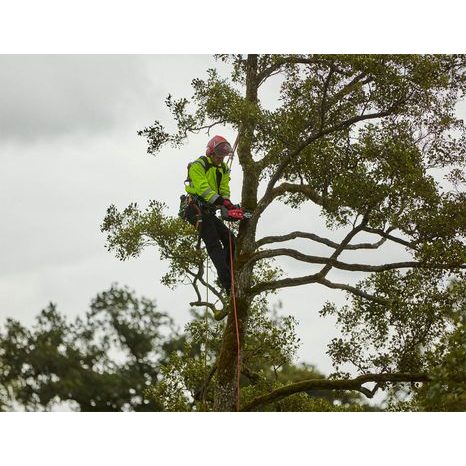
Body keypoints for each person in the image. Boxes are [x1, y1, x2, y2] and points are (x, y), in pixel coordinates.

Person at [183, 135, 243, 294]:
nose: (220, 159)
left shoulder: (223, 169)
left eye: (223, 156)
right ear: (211, 152)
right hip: (195, 209)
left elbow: (224, 188)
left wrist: (227, 204)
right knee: (214, 244)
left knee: (231, 240)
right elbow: (203, 189)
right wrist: (222, 202)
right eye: (218, 156)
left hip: (209, 210)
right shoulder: (199, 165)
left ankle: (227, 273)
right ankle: (228, 284)